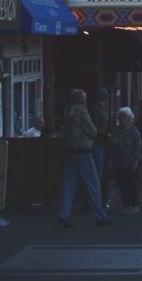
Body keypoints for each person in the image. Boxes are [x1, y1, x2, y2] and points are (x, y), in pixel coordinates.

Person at [57, 88, 111, 228]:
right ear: (81, 100)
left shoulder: (67, 111)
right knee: (93, 183)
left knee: (68, 185)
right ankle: (100, 215)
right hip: (83, 151)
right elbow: (92, 130)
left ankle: (63, 216)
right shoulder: (81, 111)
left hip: (71, 151)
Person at [109, 106, 142, 214]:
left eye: (124, 116)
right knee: (121, 184)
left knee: (131, 184)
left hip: (130, 161)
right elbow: (112, 145)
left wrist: (136, 161)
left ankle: (135, 205)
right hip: (118, 162)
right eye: (120, 116)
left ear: (129, 118)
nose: (122, 118)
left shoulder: (134, 130)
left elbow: (138, 146)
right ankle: (126, 204)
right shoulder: (115, 130)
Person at [89, 88, 111, 190]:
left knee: (98, 173)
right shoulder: (96, 110)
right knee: (97, 174)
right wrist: (107, 134)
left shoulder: (98, 109)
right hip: (98, 144)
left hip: (100, 144)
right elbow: (96, 129)